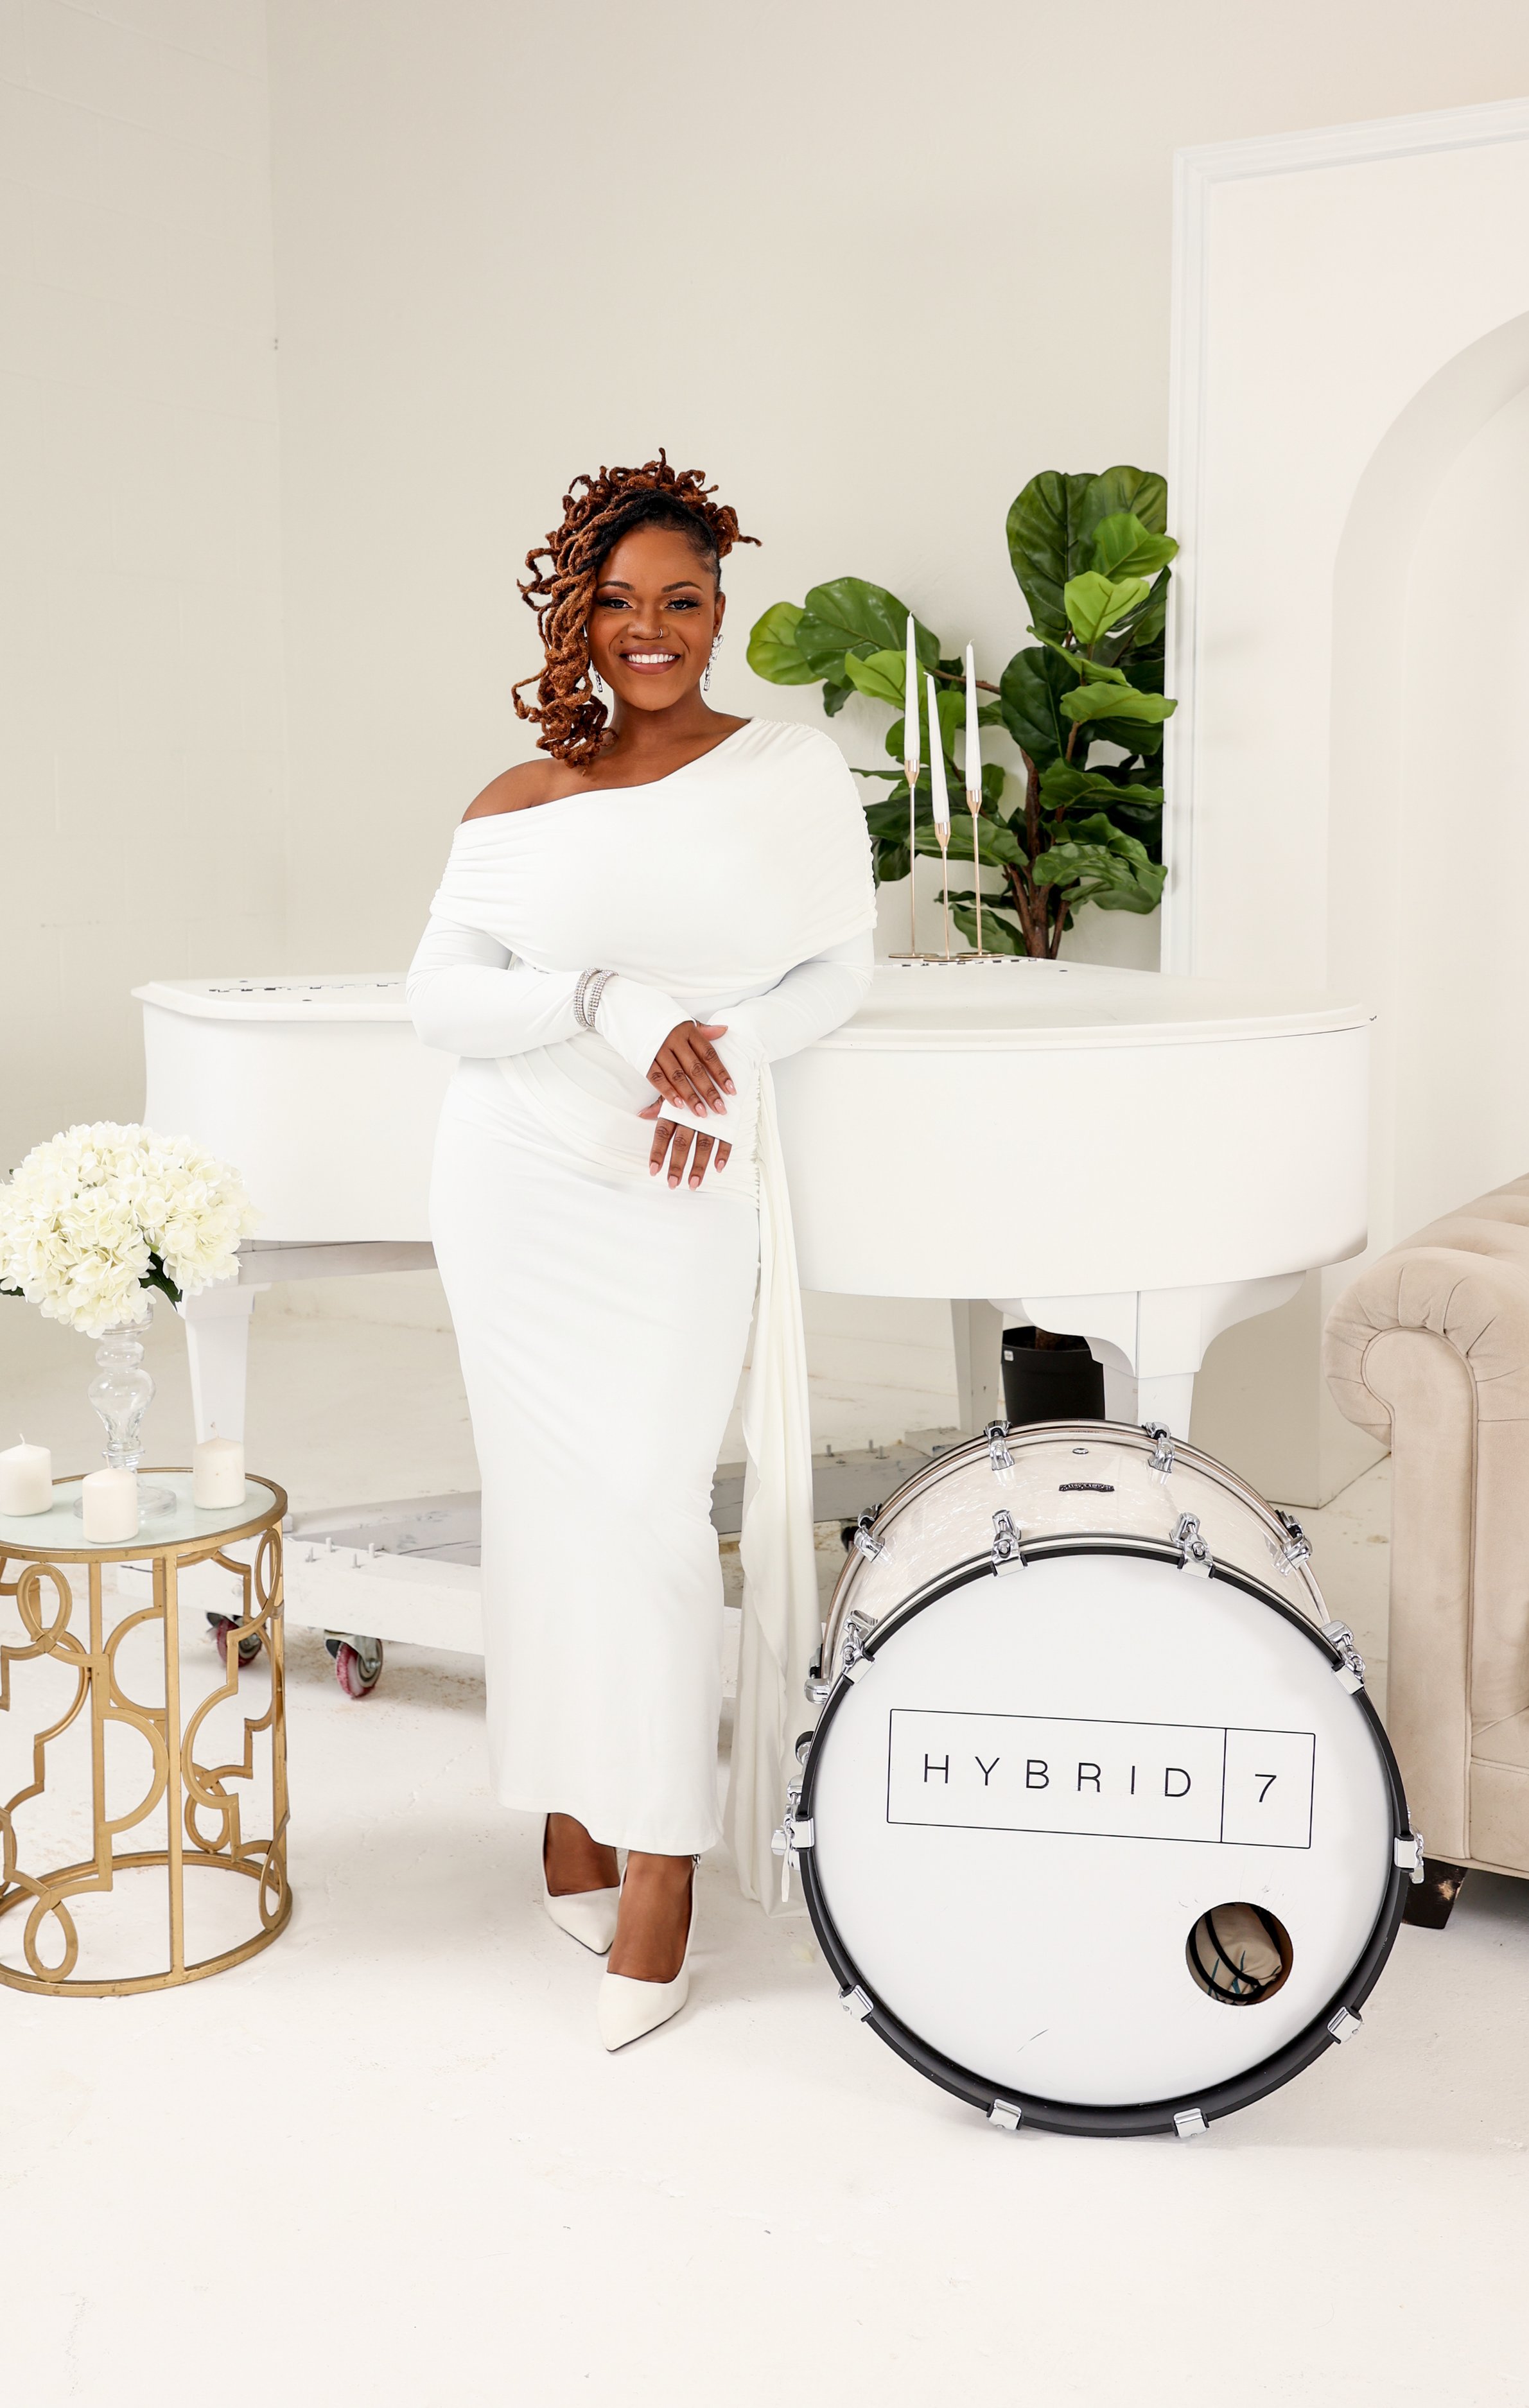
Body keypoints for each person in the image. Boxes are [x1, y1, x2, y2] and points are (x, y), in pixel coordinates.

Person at [406, 454, 875, 2048]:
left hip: (679, 1177)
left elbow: (838, 967)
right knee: (543, 1508)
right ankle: (566, 1814)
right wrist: (606, 999)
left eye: (681, 600)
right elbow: (441, 1001)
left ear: (719, 609)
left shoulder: (786, 771)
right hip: (514, 1176)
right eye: (618, 602)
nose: (651, 629)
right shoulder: (516, 801)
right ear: (577, 616)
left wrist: (724, 1054)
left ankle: (661, 1862)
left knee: (654, 1514)